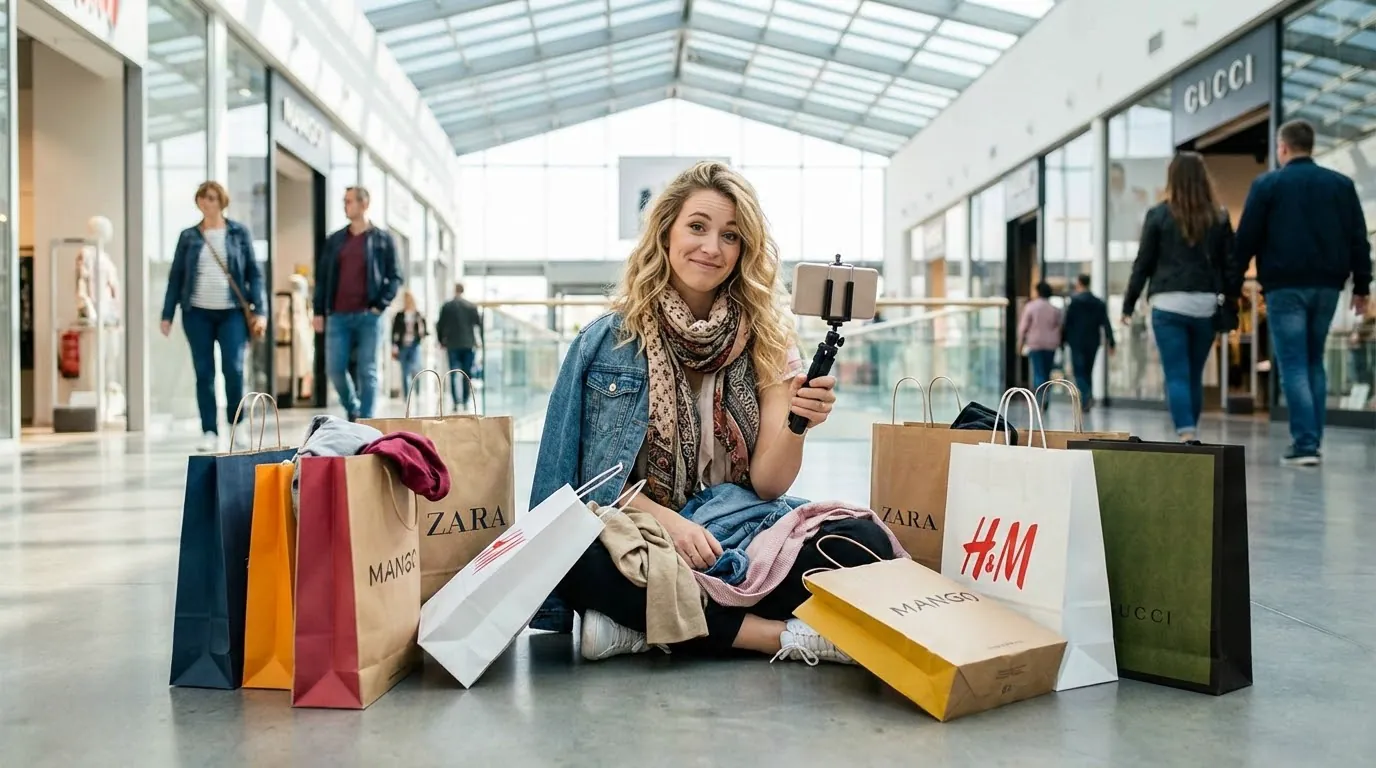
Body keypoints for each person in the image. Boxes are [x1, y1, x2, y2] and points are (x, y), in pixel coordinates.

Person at [530, 161, 896, 665]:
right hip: (645, 535)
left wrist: (798, 424)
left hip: (740, 532)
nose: (712, 247)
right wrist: (673, 526)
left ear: (744, 250)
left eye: (730, 235)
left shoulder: (768, 340)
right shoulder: (608, 341)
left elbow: (768, 485)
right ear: (666, 233)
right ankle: (777, 636)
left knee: (862, 542)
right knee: (571, 554)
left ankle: (642, 627)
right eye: (697, 227)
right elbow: (586, 488)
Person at [1235, 119, 1372, 465]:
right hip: (1327, 287)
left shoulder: (1268, 185)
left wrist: (1232, 281)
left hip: (1284, 287)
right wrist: (1362, 286)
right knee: (1314, 360)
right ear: (1311, 146)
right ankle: (1312, 440)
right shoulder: (1340, 185)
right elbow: (1359, 238)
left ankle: (1306, 444)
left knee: (1293, 363)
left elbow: (1246, 238)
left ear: (1282, 147)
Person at [1122, 151, 1241, 443]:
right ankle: (1190, 430)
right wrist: (1231, 298)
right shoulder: (1218, 216)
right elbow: (1231, 264)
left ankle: (1186, 431)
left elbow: (1143, 264)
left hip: (1167, 304)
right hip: (1205, 304)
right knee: (1193, 374)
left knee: (1176, 373)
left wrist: (1129, 303)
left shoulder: (1158, 215)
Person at [160, 181, 266, 453]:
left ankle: (237, 424)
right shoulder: (189, 236)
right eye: (202, 198)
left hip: (232, 313)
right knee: (204, 372)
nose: (205, 202)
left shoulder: (238, 233)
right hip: (197, 313)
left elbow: (254, 274)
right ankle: (208, 429)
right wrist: (167, 314)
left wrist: (260, 311)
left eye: (211, 198)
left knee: (233, 368)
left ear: (221, 202)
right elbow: (176, 277)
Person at [313, 186, 403, 421]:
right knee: (334, 369)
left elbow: (395, 276)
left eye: (349, 201)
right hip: (338, 316)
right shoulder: (335, 240)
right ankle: (353, 407)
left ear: (364, 204)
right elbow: (322, 278)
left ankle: (366, 420)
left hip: (369, 316)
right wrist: (318, 311)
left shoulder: (383, 239)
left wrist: (380, 305)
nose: (345, 205)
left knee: (367, 370)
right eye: (344, 201)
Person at [1061, 274, 1116, 411]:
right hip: (1093, 341)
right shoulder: (1098, 302)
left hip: (1076, 341)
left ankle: (1086, 396)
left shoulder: (1074, 302)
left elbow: (1067, 323)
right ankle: (1086, 399)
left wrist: (1062, 340)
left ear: (1079, 283)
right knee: (1088, 371)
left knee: (1079, 371)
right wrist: (1111, 342)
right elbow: (1106, 323)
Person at [436, 282, 483, 410]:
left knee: (453, 373)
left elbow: (440, 325)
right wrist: (479, 341)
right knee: (467, 373)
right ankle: (466, 400)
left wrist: (441, 341)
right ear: (463, 290)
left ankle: (456, 402)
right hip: (468, 344)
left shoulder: (447, 306)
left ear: (454, 290)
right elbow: (478, 324)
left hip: (452, 344)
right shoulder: (471, 306)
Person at [1019, 282, 1062, 399]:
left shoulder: (1031, 307)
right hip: (1051, 344)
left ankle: (1040, 397)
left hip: (1035, 343)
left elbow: (1023, 328)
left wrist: (1020, 343)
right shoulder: (1055, 309)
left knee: (1038, 372)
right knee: (1047, 372)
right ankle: (1045, 395)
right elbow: (1059, 327)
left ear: (1038, 292)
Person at [391, 290, 428, 397]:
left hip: (414, 345)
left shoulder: (418, 315)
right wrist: (394, 346)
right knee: (404, 371)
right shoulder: (399, 315)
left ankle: (417, 393)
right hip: (403, 345)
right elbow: (394, 331)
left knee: (416, 369)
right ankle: (407, 396)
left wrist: (422, 333)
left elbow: (424, 331)